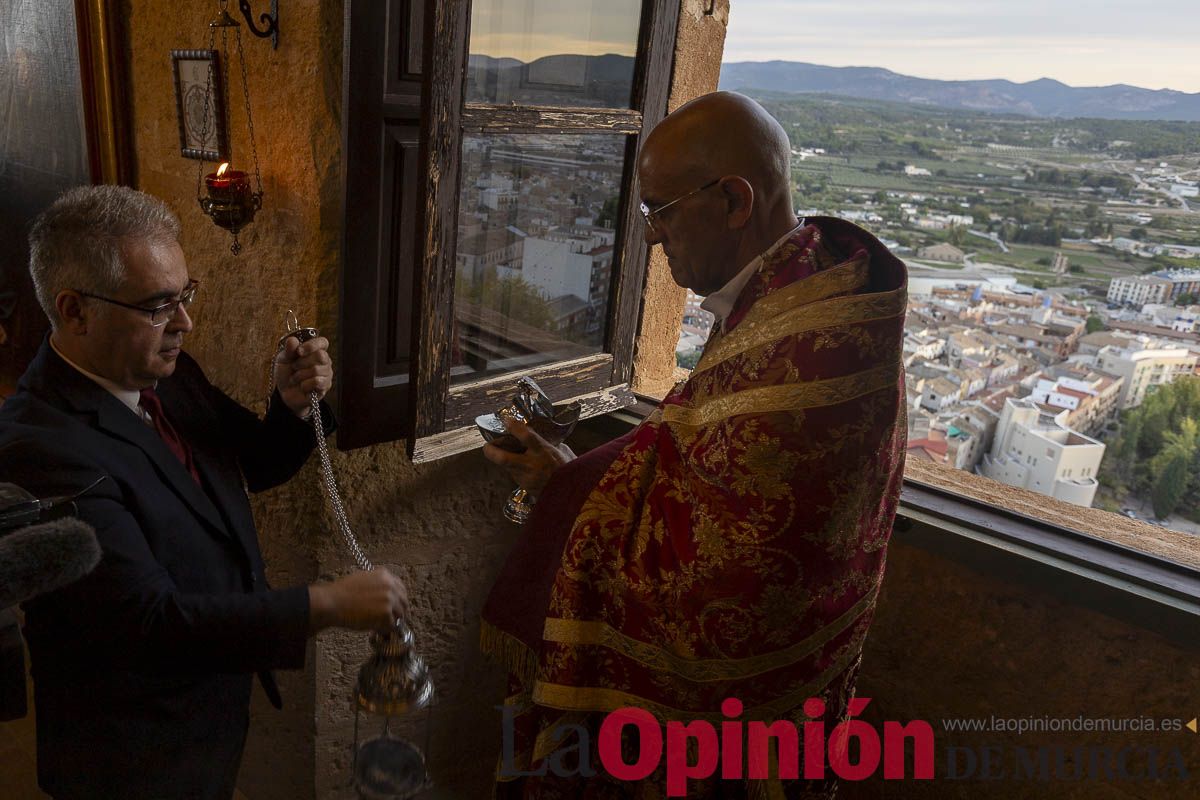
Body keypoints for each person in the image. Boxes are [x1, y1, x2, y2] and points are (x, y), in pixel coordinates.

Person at [480, 92, 908, 798]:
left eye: (661, 211)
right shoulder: (803, 286)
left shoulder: (806, 353)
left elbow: (711, 590)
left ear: (736, 201)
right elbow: (694, 456)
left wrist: (567, 493)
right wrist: (572, 476)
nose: (650, 237)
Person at [0, 185, 409, 800]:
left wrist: (293, 408)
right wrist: (325, 606)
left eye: (184, 296)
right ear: (76, 310)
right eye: (159, 305)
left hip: (206, 713)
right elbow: (150, 624)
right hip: (129, 753)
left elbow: (250, 468)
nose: (184, 324)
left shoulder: (166, 372)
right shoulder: (39, 446)